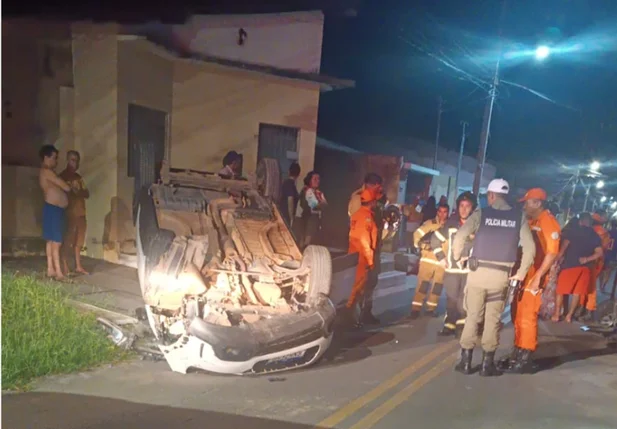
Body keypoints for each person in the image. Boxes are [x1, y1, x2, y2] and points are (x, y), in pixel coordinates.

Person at [451, 178, 535, 377]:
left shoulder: (482, 213)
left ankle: (465, 362)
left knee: (472, 317)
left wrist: (459, 257)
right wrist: (521, 273)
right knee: (493, 320)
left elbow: (460, 235)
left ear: (491, 195)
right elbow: (530, 248)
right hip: (501, 277)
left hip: (478, 274)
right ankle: (487, 365)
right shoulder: (518, 217)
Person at [500, 188, 561, 374]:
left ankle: (525, 358)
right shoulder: (532, 220)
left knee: (527, 317)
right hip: (524, 274)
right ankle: (518, 351)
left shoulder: (547, 221)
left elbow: (552, 252)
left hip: (534, 277)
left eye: (527, 202)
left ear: (537, 203)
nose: (524, 205)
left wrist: (538, 277)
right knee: (517, 315)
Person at [431, 191, 477, 337]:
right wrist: (441, 258)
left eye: (467, 206)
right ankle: (449, 325)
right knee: (451, 299)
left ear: (472, 208)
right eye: (461, 206)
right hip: (452, 270)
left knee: (463, 301)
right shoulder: (450, 224)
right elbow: (434, 239)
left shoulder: (477, 226)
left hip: (469, 272)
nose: (464, 209)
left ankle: (461, 327)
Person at [553, 212, 604, 322]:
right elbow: (599, 252)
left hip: (569, 266)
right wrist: (587, 259)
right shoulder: (595, 235)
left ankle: (557, 315)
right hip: (585, 269)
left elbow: (563, 248)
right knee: (576, 293)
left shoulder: (573, 231)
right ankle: (569, 316)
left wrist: (556, 260)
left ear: (580, 221)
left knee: (561, 291)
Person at [409, 202, 450, 319]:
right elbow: (417, 234)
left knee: (437, 287)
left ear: (448, 213)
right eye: (440, 211)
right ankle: (415, 309)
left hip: (442, 262)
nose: (442, 214)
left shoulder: (450, 226)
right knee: (423, 285)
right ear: (437, 212)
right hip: (428, 260)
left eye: (445, 212)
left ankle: (431, 309)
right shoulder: (429, 224)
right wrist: (420, 246)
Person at [345, 188, 379, 326]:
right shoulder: (367, 218)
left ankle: (351, 318)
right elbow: (365, 241)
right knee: (356, 290)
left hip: (354, 255)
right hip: (362, 258)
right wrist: (370, 261)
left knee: (354, 288)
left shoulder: (356, 214)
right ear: (372, 202)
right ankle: (348, 319)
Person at [39, 145, 71, 280]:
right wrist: (69, 185)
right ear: (46, 157)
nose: (56, 161)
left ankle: (50, 269)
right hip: (53, 209)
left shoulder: (47, 172)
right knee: (56, 241)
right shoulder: (47, 172)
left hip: (54, 209)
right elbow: (66, 187)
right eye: (54, 158)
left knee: (51, 240)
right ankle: (58, 272)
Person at [59, 151, 90, 275]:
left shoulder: (79, 177)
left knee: (79, 241)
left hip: (81, 212)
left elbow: (87, 193)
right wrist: (72, 190)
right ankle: (65, 265)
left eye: (76, 160)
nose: (75, 163)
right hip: (69, 213)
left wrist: (79, 191)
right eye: (72, 160)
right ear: (67, 160)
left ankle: (78, 265)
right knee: (68, 240)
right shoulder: (63, 176)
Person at [296, 171, 327, 248]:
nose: (317, 181)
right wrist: (320, 204)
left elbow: (325, 204)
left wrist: (321, 204)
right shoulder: (307, 190)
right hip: (307, 218)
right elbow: (315, 206)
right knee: (306, 241)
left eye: (318, 179)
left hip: (314, 218)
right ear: (309, 180)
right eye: (315, 179)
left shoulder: (318, 192)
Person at [279, 162, 301, 227]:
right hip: (285, 216)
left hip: (284, 214)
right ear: (298, 174)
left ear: (288, 172)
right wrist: (291, 218)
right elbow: (290, 199)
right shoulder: (289, 184)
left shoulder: (289, 183)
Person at [600, 219, 617, 295]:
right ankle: (603, 285)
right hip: (613, 256)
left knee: (601, 270)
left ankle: (600, 284)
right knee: (608, 272)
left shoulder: (606, 232)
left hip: (603, 254)